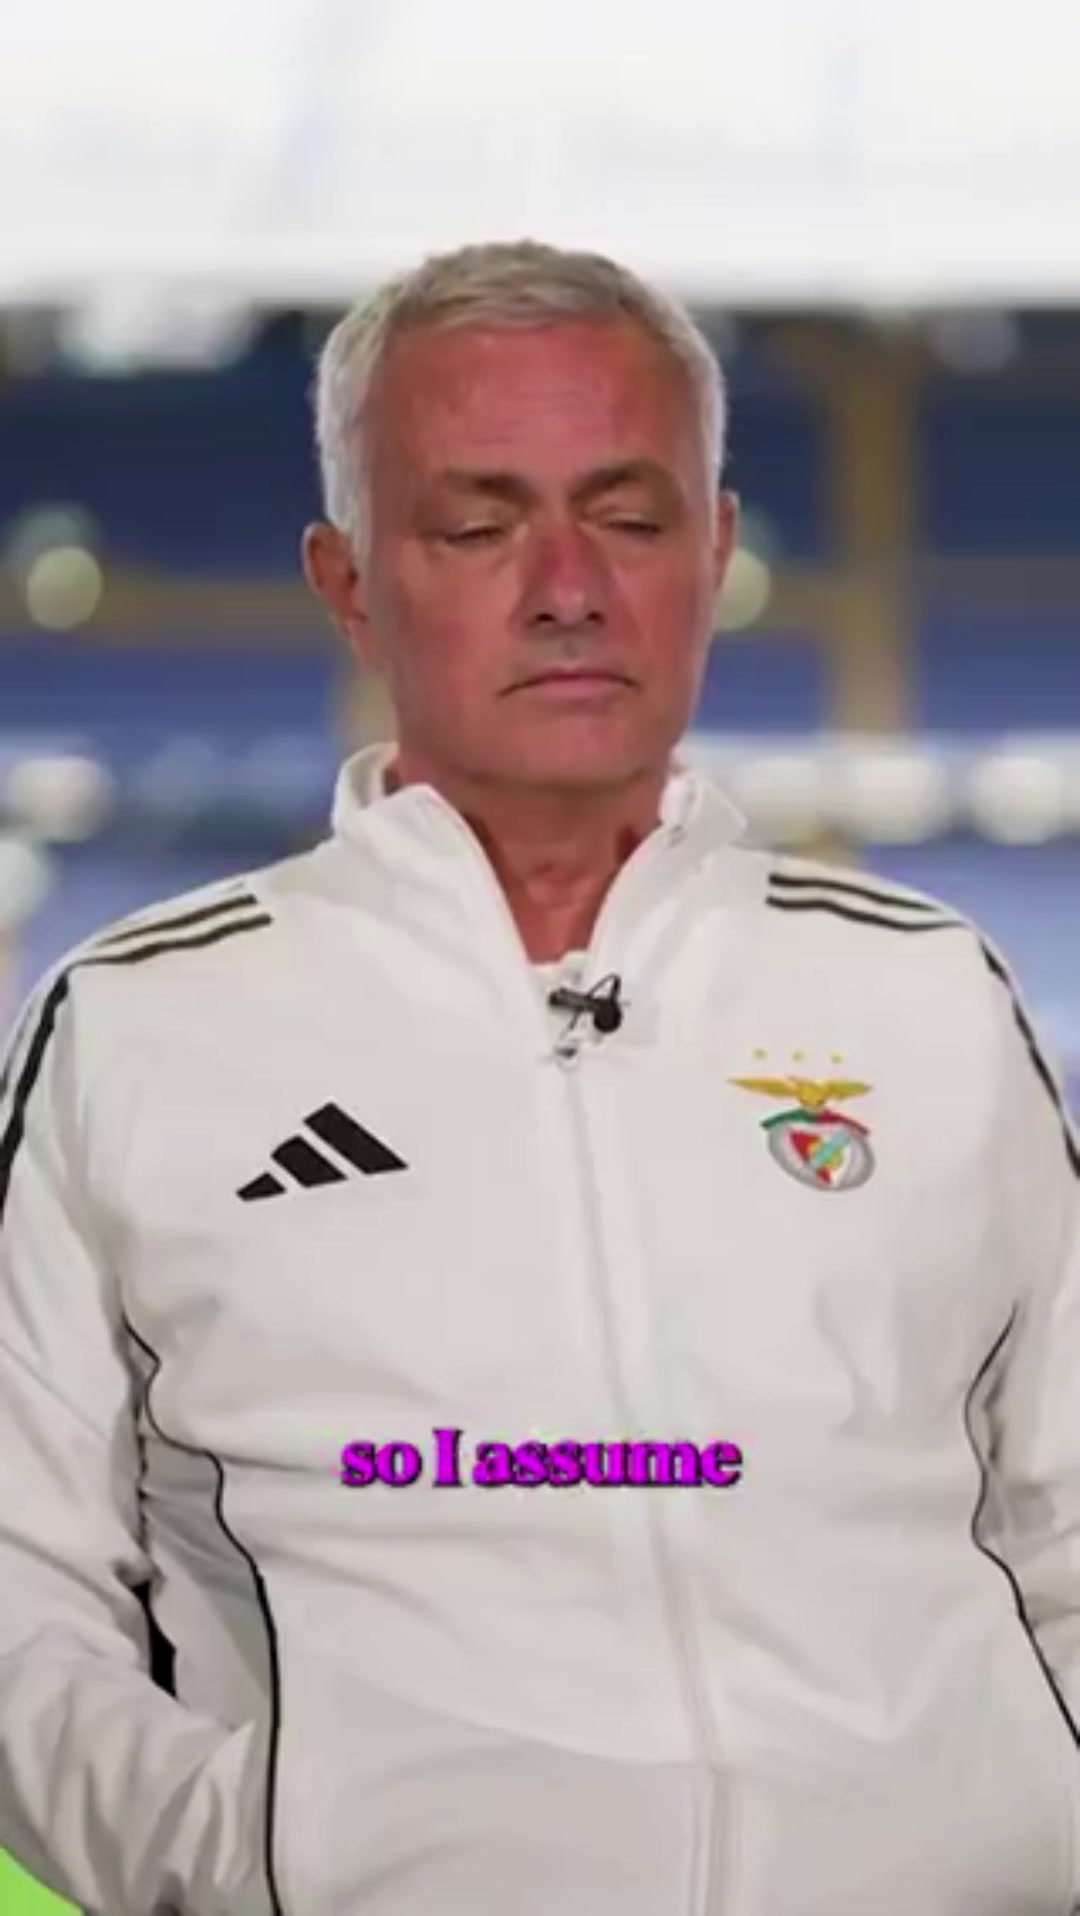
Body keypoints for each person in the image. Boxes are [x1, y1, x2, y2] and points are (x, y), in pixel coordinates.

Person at [1, 239, 1079, 1916]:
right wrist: (254, 1858)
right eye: (479, 525)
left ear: (714, 551)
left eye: (630, 518)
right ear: (349, 582)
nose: (569, 586)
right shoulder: (139, 1027)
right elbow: (22, 1593)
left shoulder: (930, 993)